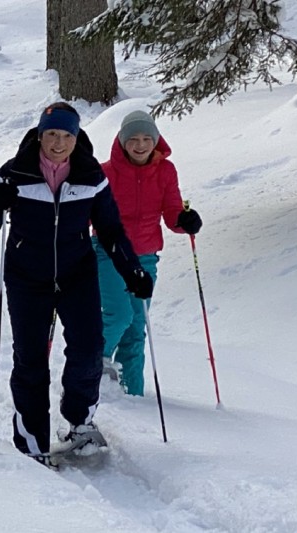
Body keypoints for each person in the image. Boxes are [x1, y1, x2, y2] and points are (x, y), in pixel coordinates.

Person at [0, 102, 152, 467]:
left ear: (76, 137)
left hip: (76, 274)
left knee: (89, 348)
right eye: (51, 134)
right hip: (27, 277)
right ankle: (32, 442)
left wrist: (132, 270)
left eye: (66, 135)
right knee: (31, 358)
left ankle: (80, 421)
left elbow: (111, 228)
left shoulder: (90, 175)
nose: (58, 143)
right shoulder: (14, 172)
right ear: (40, 135)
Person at [96, 110, 202, 396]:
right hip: (109, 253)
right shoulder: (105, 172)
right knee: (119, 315)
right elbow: (91, 213)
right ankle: (92, 367)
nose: (140, 145)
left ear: (155, 141)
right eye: (134, 139)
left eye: (146, 139)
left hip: (145, 256)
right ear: (122, 141)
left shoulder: (165, 171)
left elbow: (172, 213)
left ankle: (133, 395)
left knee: (136, 327)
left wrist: (185, 220)